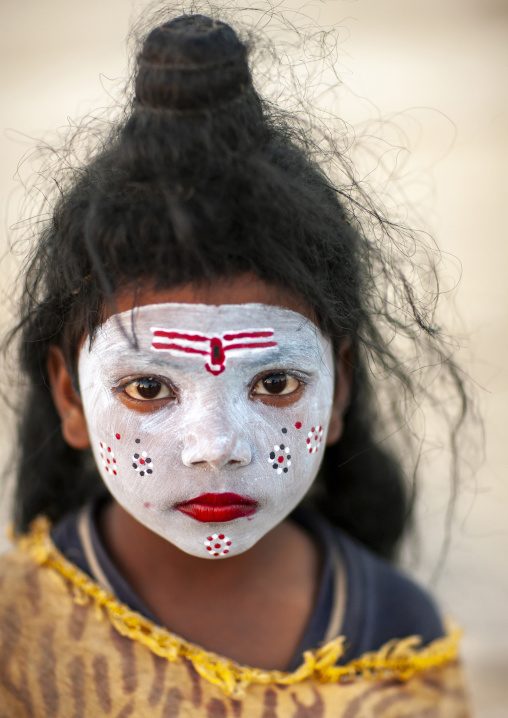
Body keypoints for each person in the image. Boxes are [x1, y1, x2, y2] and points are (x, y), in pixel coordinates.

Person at [0, 12, 472, 716]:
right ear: (69, 396)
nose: (217, 445)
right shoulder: (15, 632)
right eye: (150, 386)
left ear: (338, 389)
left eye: (275, 383)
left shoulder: (397, 633)